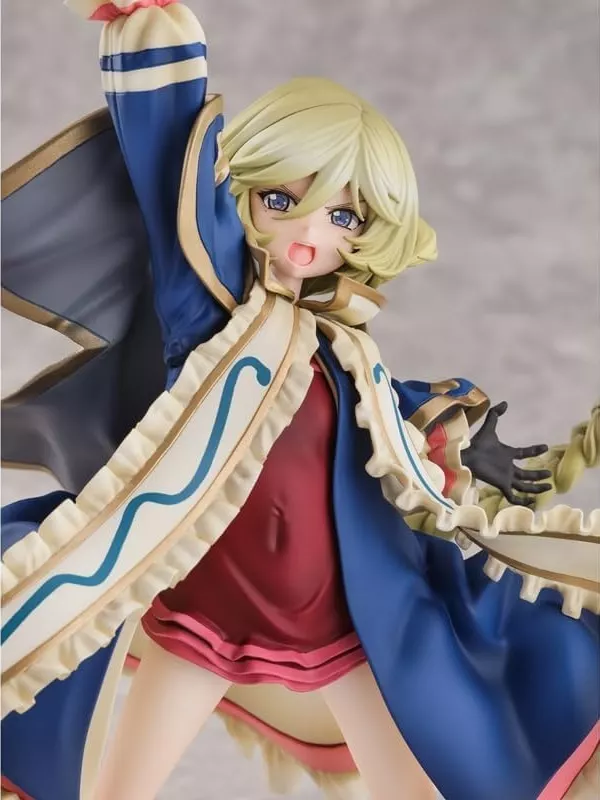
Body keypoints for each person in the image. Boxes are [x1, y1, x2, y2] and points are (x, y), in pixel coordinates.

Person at [1, 2, 598, 799]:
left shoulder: (342, 347)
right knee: (118, 787)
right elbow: (170, 157)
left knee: (412, 784)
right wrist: (152, 29)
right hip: (208, 604)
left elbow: (373, 422)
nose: (309, 234)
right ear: (243, 195)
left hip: (342, 612)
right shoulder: (212, 313)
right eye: (281, 201)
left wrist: (456, 442)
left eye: (342, 215)